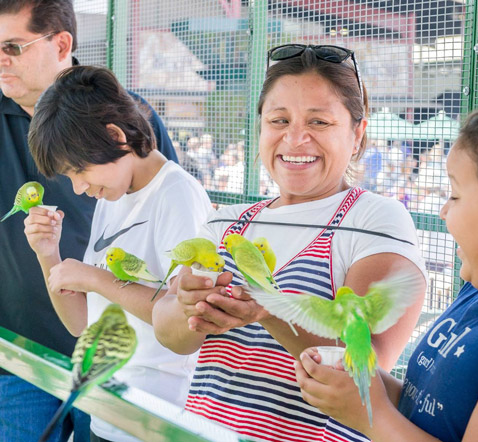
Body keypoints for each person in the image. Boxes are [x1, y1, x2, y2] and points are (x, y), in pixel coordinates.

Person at [153, 44, 428, 442]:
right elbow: (171, 335)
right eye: (279, 119)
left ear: (357, 134)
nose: (295, 138)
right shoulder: (228, 222)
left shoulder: (374, 219)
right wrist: (187, 306)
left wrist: (269, 310)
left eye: (319, 122)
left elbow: (363, 364)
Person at [295, 100, 478, 442]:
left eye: (454, 195)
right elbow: (428, 410)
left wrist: (370, 415)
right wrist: (364, 385)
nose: (443, 211)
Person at [0, 1, 177, 441]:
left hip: (117, 358)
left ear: (62, 44)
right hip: (19, 355)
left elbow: (177, 262)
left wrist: (97, 281)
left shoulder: (132, 118)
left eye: (12, 46)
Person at [23, 66, 213, 442]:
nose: (78, 188)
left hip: (157, 420)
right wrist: (49, 256)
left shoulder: (177, 194)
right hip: (109, 414)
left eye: (80, 170)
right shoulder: (113, 196)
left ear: (115, 135)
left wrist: (97, 279)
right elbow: (82, 326)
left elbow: (188, 319)